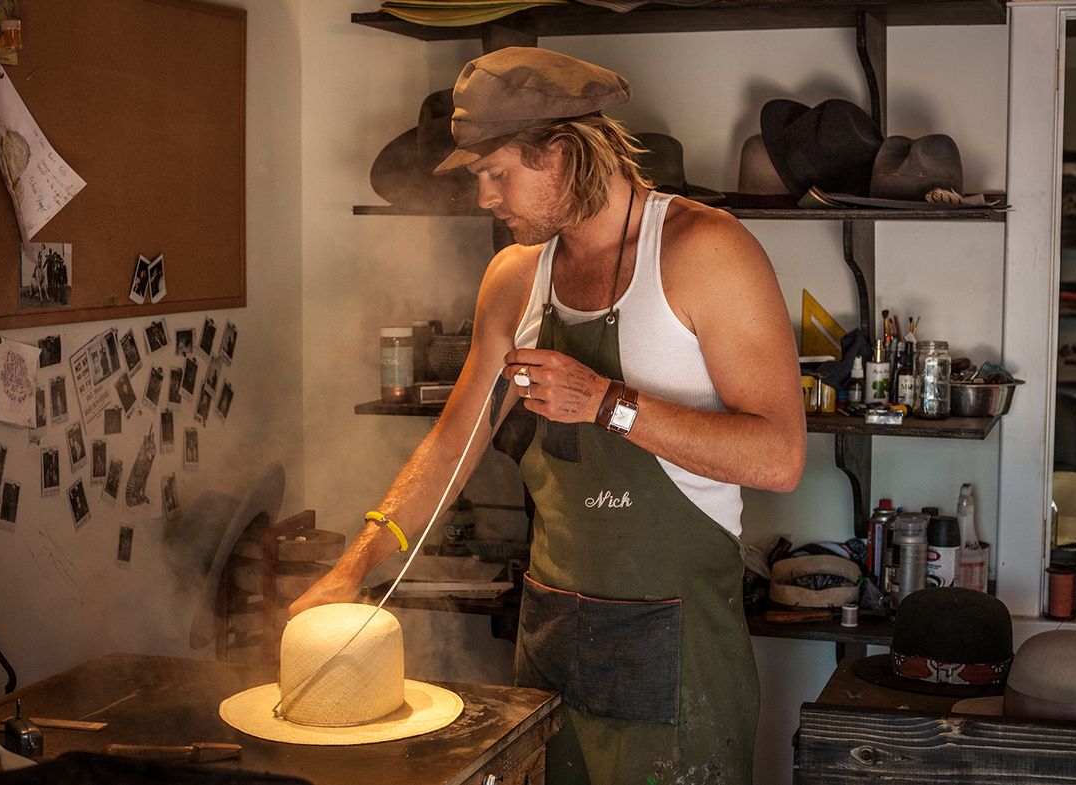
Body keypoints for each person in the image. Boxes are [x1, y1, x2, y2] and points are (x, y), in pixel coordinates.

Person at [291, 48, 805, 785]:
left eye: (497, 173)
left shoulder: (705, 252)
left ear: (561, 156)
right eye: (477, 178)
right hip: (552, 650)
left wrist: (606, 403)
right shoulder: (513, 280)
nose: (484, 199)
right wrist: (354, 566)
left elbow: (779, 456)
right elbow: (451, 445)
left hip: (679, 663)